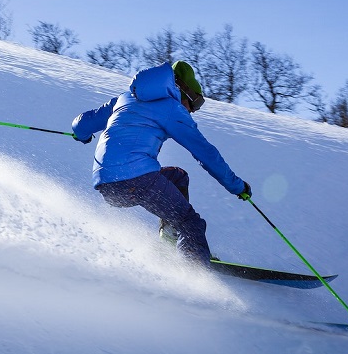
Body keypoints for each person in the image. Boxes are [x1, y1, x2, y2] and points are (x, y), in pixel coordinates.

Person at [71, 60, 251, 267]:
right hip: (137, 179)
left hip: (107, 186)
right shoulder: (172, 109)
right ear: (184, 92)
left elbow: (82, 124)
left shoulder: (125, 98)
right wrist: (237, 186)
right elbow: (205, 153)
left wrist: (82, 135)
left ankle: (169, 242)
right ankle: (195, 272)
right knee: (191, 223)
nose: (192, 110)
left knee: (178, 176)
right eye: (195, 103)